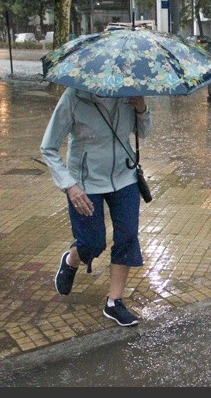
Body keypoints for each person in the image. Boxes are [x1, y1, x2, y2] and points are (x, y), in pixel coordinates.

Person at [40, 87, 151, 326]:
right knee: (92, 242)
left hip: (124, 177)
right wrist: (69, 185)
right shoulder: (74, 97)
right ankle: (71, 260)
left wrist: (141, 108)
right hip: (85, 183)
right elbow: (48, 148)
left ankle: (114, 302)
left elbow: (143, 132)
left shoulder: (129, 92)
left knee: (128, 236)